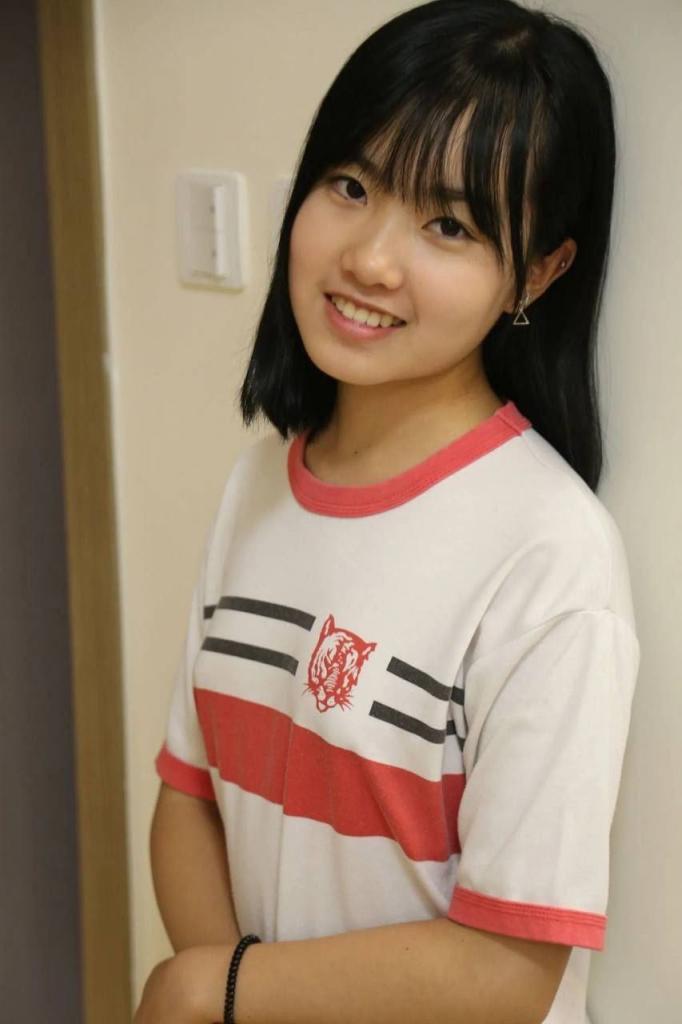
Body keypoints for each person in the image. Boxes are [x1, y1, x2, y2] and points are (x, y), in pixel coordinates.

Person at [138, 2, 641, 1022]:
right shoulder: (258, 484)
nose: (370, 258)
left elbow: (508, 966)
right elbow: (190, 797)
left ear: (538, 271)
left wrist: (215, 988)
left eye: (448, 225)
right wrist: (228, 999)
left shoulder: (549, 553)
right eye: (351, 185)